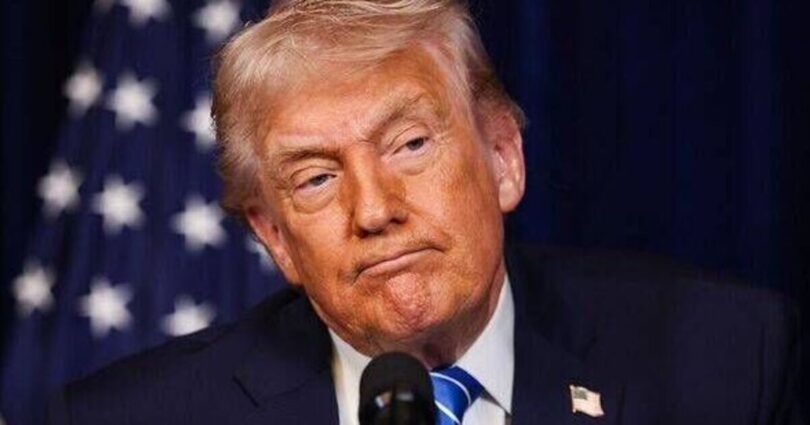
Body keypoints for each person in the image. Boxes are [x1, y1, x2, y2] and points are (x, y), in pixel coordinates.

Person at [48, 1, 801, 424]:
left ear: (503, 156)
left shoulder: (729, 363)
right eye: (316, 178)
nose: (374, 209)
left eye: (410, 144)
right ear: (274, 236)